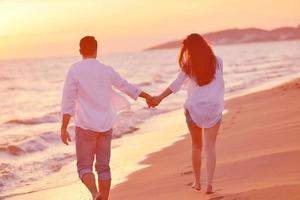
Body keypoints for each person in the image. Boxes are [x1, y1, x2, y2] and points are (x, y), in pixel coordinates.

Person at [60, 36, 152, 200]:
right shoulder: (106, 70)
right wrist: (147, 96)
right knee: (103, 168)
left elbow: (68, 99)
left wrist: (63, 127)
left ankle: (95, 194)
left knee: (84, 167)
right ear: (96, 49)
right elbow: (125, 86)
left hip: (86, 126)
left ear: (80, 51)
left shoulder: (75, 70)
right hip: (105, 125)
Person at [149, 33, 224, 194]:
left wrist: (159, 98)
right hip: (214, 108)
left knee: (196, 145)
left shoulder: (189, 65)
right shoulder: (218, 61)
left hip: (194, 108)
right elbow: (217, 83)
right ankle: (209, 184)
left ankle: (197, 182)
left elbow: (175, 85)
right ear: (204, 44)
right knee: (210, 146)